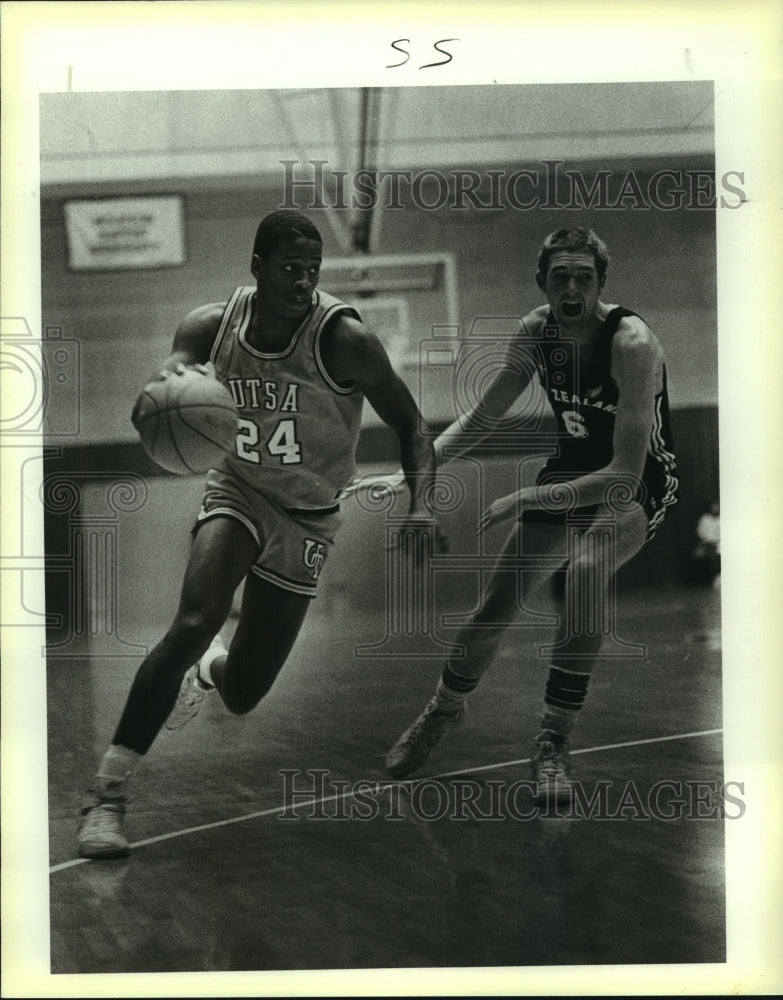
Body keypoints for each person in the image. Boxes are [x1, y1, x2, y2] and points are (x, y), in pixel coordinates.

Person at [77, 210, 436, 859]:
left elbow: (413, 426)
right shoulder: (211, 326)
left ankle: (212, 668)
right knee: (191, 621)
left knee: (243, 693)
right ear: (258, 269)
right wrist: (148, 404)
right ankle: (107, 796)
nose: (303, 282)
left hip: (306, 516)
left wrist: (423, 506)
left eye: (312, 271)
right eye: (290, 269)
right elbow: (164, 385)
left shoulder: (344, 340)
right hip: (237, 490)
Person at [385, 227, 678, 803]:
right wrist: (414, 471)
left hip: (634, 480)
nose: (572, 288)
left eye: (584, 278)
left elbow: (622, 473)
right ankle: (443, 710)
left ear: (600, 284)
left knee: (587, 570)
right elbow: (482, 417)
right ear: (542, 283)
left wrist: (525, 498)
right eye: (561, 277)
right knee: (495, 604)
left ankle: (552, 741)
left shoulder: (631, 344)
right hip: (570, 469)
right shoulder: (534, 331)